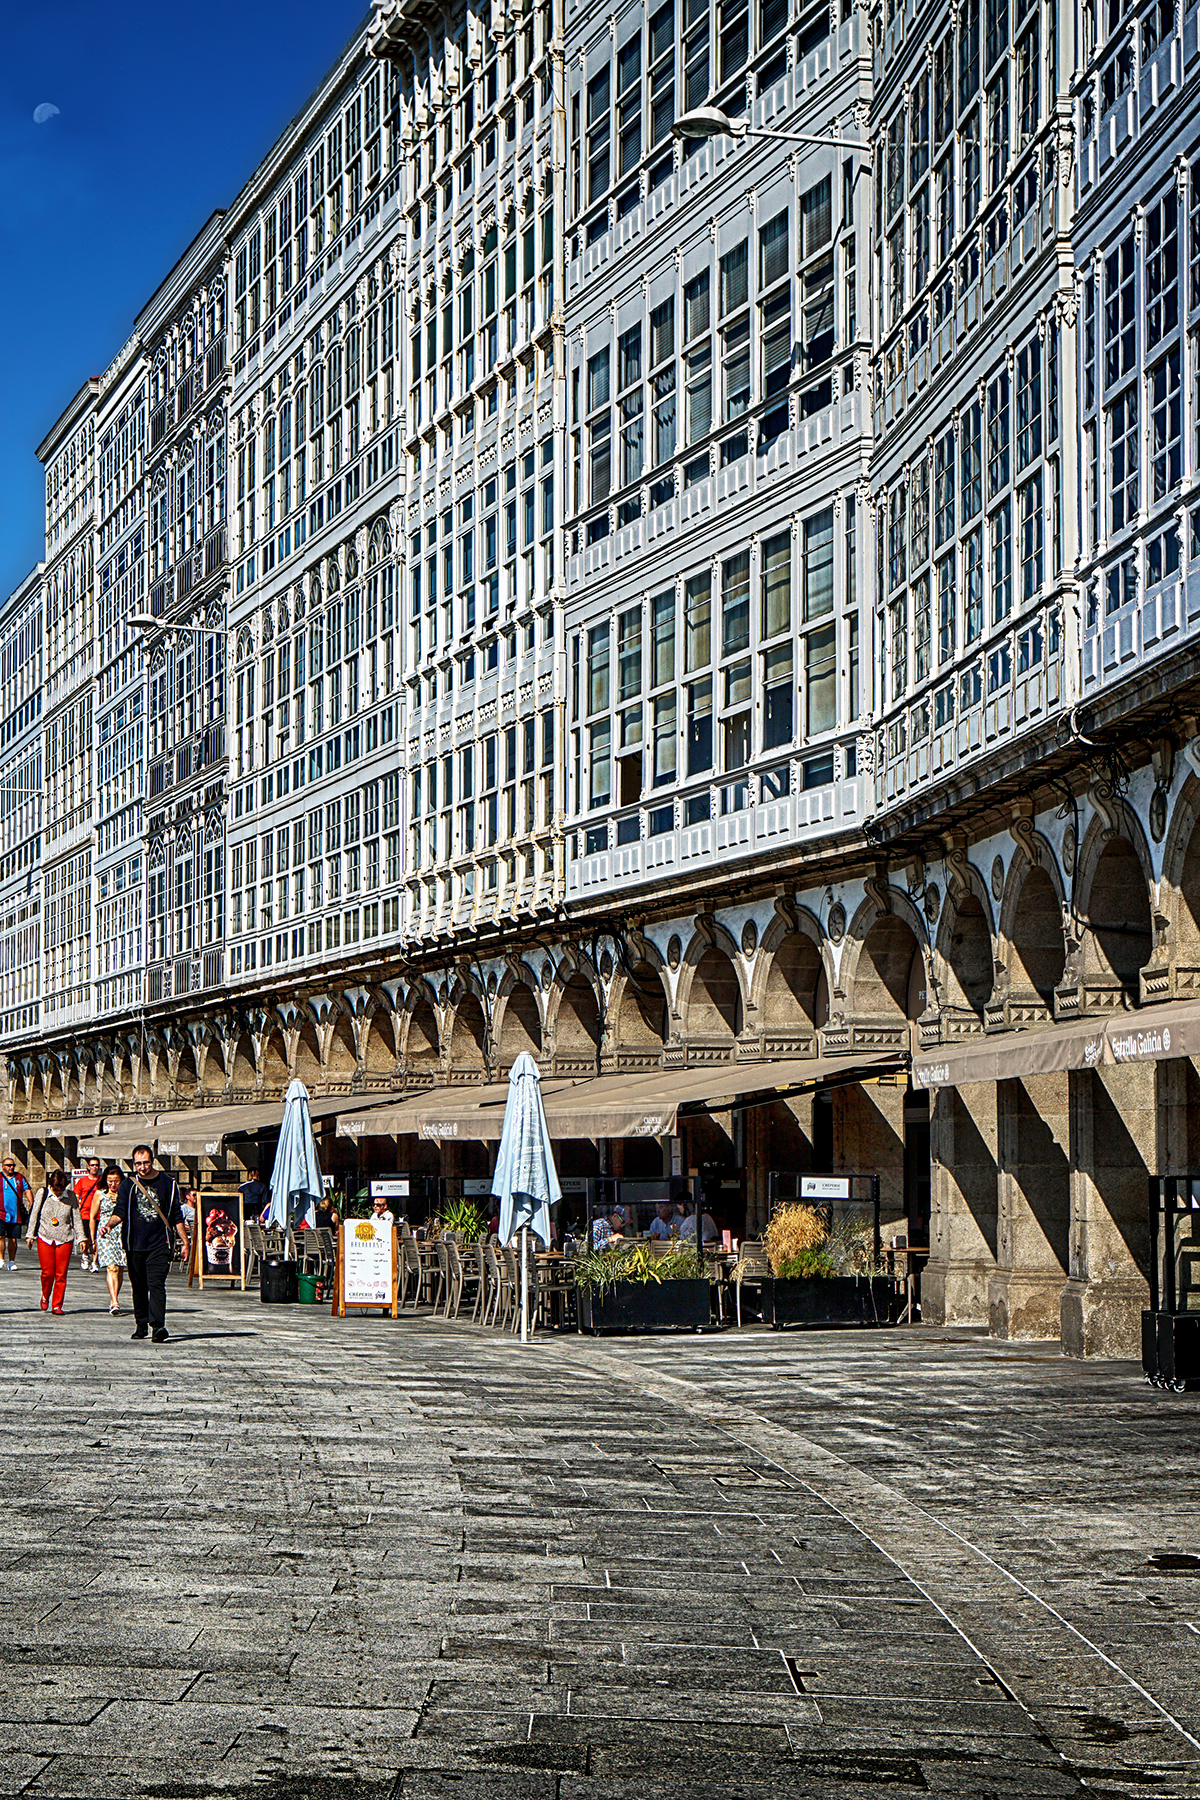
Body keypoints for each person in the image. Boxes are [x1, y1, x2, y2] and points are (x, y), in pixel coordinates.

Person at [100, 1144, 189, 1342]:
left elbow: (176, 1215)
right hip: (134, 1243)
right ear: (134, 1164)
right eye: (138, 1163)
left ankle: (158, 1326)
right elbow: (120, 1211)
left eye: (146, 1163)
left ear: (153, 1161)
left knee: (156, 1284)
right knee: (139, 1286)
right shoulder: (128, 1185)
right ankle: (141, 1324)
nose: (142, 1167)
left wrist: (184, 1242)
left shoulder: (168, 1183)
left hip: (160, 1243)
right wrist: (108, 1226)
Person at [25, 1170, 84, 1314]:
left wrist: (81, 1238)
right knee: (47, 1272)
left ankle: (57, 1305)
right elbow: (34, 1214)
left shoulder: (70, 1196)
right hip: (45, 1236)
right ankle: (45, 1295)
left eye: (61, 1190)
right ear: (51, 1185)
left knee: (61, 1274)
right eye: (56, 1189)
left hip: (65, 1238)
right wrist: (30, 1235)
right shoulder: (42, 1193)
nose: (58, 1193)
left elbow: (76, 1218)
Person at [95, 1167, 127, 1316]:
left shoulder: (125, 1194)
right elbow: (92, 1217)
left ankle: (115, 1296)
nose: (113, 1184)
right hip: (105, 1233)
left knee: (119, 1268)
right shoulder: (100, 1194)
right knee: (111, 1267)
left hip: (122, 1232)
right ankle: (114, 1301)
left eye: (116, 1181)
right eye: (110, 1181)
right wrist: (92, 1238)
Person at [74, 1156, 103, 1272]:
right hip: (85, 1214)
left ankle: (95, 1262)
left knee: (96, 1239)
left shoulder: (102, 1181)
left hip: (99, 1214)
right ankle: (85, 1255)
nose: (94, 1167)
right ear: (88, 1167)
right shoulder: (82, 1181)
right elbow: (76, 1196)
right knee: (86, 1238)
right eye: (92, 1165)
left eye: (96, 1165)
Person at [0, 1154, 28, 1269]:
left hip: (15, 1214)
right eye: (9, 1165)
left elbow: (27, 1190)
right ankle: (1, 1259)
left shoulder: (19, 1177)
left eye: (13, 1165)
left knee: (13, 1238)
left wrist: (32, 1204)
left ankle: (11, 1261)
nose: (11, 1167)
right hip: (1, 1213)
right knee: (0, 1236)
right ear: (3, 1166)